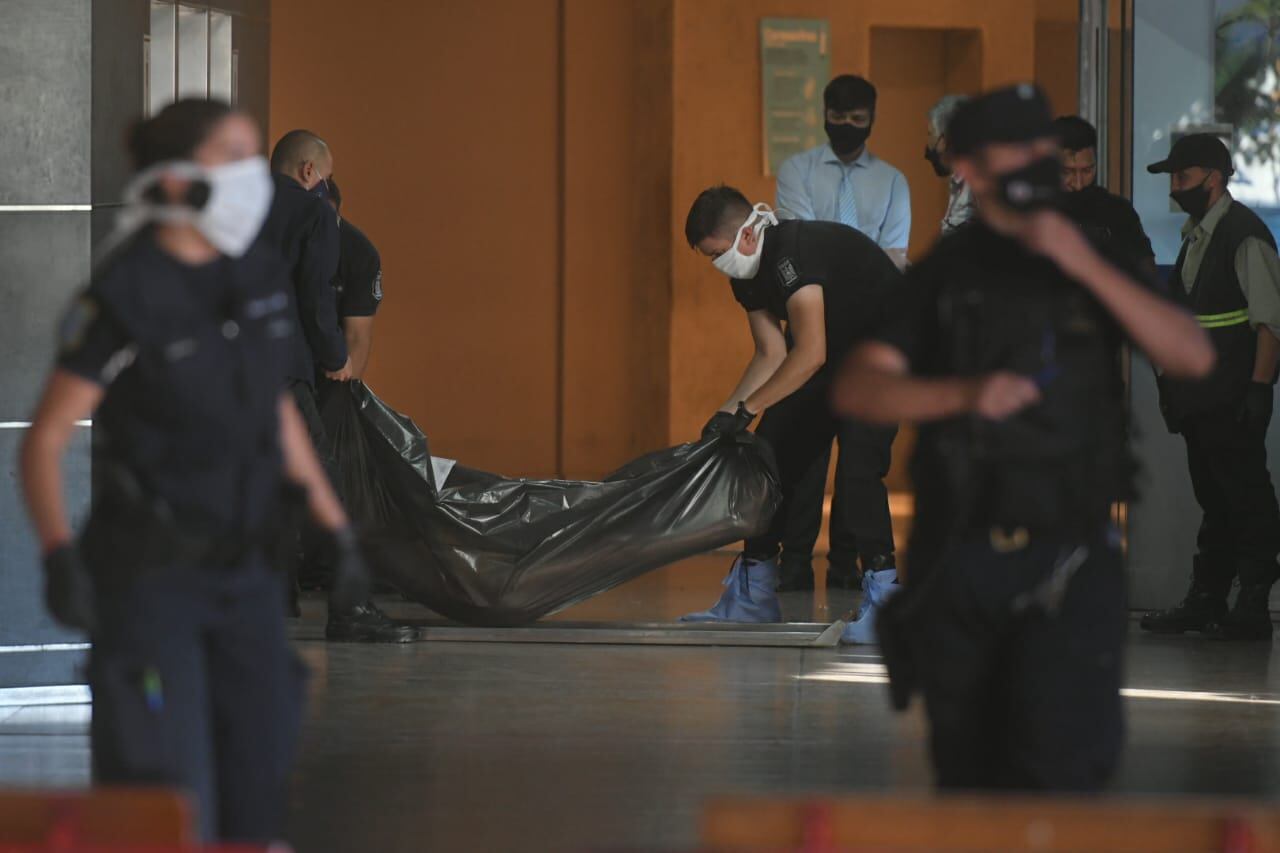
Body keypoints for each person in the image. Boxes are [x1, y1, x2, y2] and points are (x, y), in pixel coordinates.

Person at [837, 85, 1213, 789]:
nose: (1034, 165)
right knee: (972, 770)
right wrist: (963, 394)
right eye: (1013, 151)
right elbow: (859, 385)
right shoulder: (948, 272)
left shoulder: (1096, 242)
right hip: (965, 552)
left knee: (1068, 765)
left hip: (1071, 552)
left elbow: (1189, 352)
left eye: (1041, 149)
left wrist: (1081, 263)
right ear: (970, 170)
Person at [18, 99, 373, 843]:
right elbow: (46, 436)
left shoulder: (257, 280)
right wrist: (56, 552)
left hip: (244, 574)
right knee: (167, 787)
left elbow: (276, 411)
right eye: (232, 158)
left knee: (259, 767)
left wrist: (334, 530)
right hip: (152, 575)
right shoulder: (125, 292)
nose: (253, 178)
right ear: (177, 178)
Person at [681, 186, 901, 643]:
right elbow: (771, 352)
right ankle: (754, 594)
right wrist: (724, 416)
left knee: (858, 472)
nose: (716, 264)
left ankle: (884, 601)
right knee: (771, 453)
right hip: (832, 356)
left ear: (746, 234)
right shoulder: (744, 274)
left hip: (885, 352)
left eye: (717, 253)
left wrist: (749, 408)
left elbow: (811, 351)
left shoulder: (792, 252)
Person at [263, 131, 418, 643]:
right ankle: (350, 611)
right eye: (325, 176)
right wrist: (335, 361)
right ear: (311, 173)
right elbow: (315, 300)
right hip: (284, 373)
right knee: (329, 489)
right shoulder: (317, 214)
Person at [772, 74, 911, 594]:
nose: (847, 127)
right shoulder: (798, 170)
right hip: (812, 328)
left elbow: (895, 258)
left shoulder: (894, 180)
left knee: (862, 456)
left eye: (858, 120)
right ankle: (794, 560)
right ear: (823, 114)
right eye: (839, 117)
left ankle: (846, 562)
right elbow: (798, 244)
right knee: (803, 453)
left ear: (872, 119)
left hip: (872, 339)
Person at [1140, 133, 1280, 641]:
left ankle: (1252, 598)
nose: (1175, 188)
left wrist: (1259, 390)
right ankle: (1210, 597)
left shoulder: (1244, 234)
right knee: (1216, 495)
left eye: (1182, 177)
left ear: (1213, 179)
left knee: (1244, 495)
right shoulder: (1197, 234)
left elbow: (1270, 323)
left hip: (1232, 395)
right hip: (1201, 397)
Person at [1053, 115, 1157, 276]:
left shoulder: (1118, 212)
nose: (1079, 183)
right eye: (1067, 172)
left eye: (1087, 171)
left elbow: (1147, 276)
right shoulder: (1030, 211)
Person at [325, 177, 382, 379]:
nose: (321, 230)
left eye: (328, 221)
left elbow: (357, 337)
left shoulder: (359, 253)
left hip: (330, 369)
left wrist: (343, 397)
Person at [925, 94, 976, 234]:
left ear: (944, 139)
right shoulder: (959, 181)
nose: (928, 145)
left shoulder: (978, 185)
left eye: (930, 134)